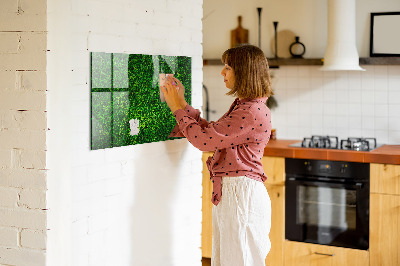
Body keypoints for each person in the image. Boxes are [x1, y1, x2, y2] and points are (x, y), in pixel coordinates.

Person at [161, 44, 273, 266]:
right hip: (236, 193)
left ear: (244, 72)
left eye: (228, 67)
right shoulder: (246, 106)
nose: (222, 72)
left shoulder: (250, 111)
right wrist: (182, 104)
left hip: (241, 195)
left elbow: (204, 141)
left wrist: (176, 108)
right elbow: (212, 133)